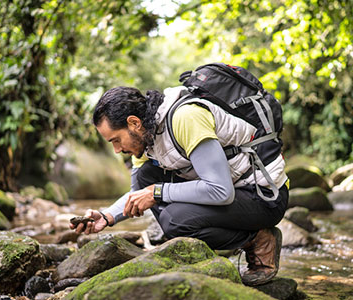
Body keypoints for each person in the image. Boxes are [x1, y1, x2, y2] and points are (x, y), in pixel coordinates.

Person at [70, 85, 289, 286]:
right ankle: (213, 238)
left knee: (174, 220)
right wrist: (107, 216)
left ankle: (258, 239)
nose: (117, 150)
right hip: (233, 191)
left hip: (264, 196)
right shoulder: (146, 139)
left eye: (116, 140)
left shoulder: (186, 118)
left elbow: (220, 191)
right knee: (148, 176)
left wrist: (158, 193)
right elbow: (138, 193)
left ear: (134, 123)